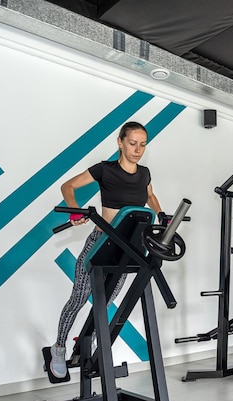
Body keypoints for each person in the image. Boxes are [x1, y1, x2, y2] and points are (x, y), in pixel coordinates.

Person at [50, 121, 163, 379]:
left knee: (107, 301)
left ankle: (85, 339)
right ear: (120, 142)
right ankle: (59, 347)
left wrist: (161, 214)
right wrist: (75, 207)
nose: (138, 150)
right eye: (132, 143)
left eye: (142, 144)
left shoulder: (144, 173)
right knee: (79, 298)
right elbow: (68, 186)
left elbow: (150, 196)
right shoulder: (105, 169)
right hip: (101, 241)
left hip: (128, 247)